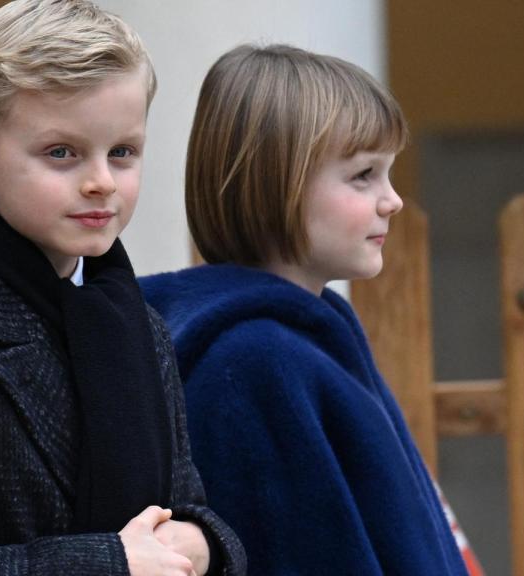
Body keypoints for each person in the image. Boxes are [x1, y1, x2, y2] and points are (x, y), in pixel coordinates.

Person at [0, 2, 245, 575]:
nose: (101, 180)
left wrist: (204, 542)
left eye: (122, 152)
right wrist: (108, 564)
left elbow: (185, 504)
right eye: (62, 153)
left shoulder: (136, 325)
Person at [141, 44, 470, 575]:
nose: (392, 200)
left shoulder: (311, 332)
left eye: (388, 173)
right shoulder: (255, 359)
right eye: (363, 175)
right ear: (276, 183)